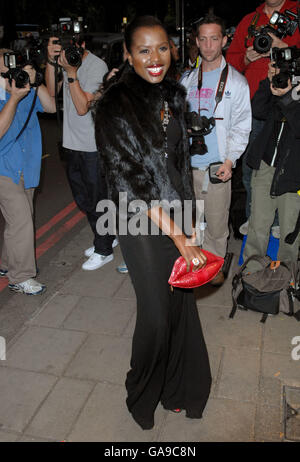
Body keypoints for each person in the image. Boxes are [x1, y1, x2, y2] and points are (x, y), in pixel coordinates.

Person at [95, 16, 211, 430]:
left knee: (180, 306)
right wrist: (181, 238)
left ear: (173, 49)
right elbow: (133, 184)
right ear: (128, 54)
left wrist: (189, 217)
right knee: (157, 315)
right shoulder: (113, 106)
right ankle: (141, 391)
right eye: (144, 50)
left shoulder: (172, 94)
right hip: (136, 216)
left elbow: (177, 165)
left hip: (174, 211)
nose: (155, 58)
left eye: (162, 47)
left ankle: (177, 388)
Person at [180, 13, 252, 286]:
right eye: (203, 39)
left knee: (217, 227)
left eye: (214, 39)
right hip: (188, 167)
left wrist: (230, 160)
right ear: (196, 42)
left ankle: (210, 273)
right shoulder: (186, 80)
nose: (208, 45)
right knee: (190, 223)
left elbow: (242, 126)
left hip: (217, 168)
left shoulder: (236, 82)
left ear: (223, 40)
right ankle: (192, 266)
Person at [226, 0, 300, 235]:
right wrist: (247, 59)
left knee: (286, 169)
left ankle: (281, 224)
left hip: (292, 106)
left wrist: (282, 45)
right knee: (252, 167)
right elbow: (229, 63)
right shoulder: (250, 20)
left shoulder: (296, 14)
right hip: (253, 107)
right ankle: (255, 220)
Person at [45, 34, 116, 271]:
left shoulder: (97, 66)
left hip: (93, 146)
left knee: (98, 200)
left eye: (70, 47)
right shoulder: (65, 63)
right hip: (72, 143)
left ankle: (104, 249)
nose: (66, 52)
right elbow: (52, 94)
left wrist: (72, 72)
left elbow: (82, 106)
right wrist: (50, 61)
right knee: (83, 199)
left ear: (82, 45)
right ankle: (106, 236)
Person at [0, 49, 56, 294]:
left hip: (29, 166)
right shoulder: (9, 93)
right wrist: (13, 97)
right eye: (5, 58)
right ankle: (20, 277)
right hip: (4, 167)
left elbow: (51, 107)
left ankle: (6, 263)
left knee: (20, 220)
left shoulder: (25, 87)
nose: (10, 62)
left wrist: (35, 80)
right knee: (21, 220)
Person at [243, 62, 300, 272]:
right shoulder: (283, 86)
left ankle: (287, 281)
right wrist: (269, 83)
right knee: (257, 225)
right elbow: (258, 110)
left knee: (289, 231)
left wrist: (289, 98)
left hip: (294, 173)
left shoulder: (293, 94)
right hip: (266, 165)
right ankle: (250, 277)